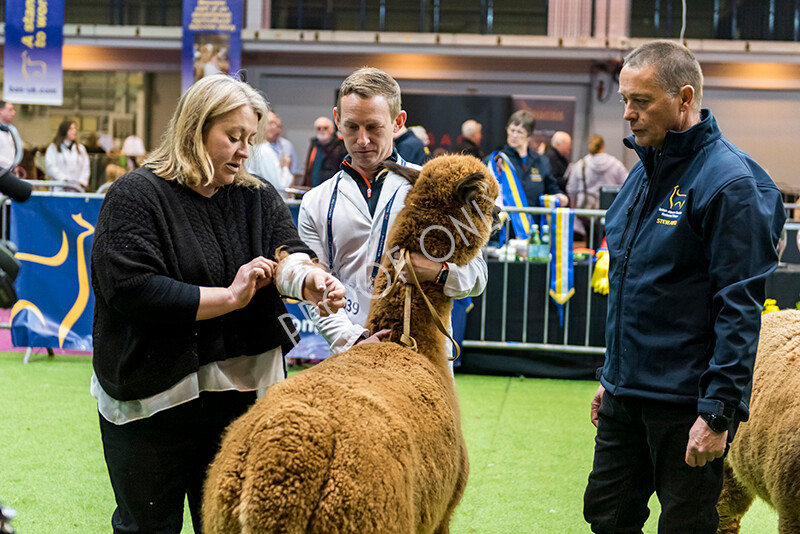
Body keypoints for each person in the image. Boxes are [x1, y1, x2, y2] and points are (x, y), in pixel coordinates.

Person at [90, 74, 345, 534]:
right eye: (233, 137)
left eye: (250, 138)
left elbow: (287, 252)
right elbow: (132, 289)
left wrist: (310, 281)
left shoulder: (258, 196)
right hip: (152, 400)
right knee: (147, 526)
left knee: (228, 526)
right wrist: (229, 297)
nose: (245, 150)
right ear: (195, 129)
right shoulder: (135, 194)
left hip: (237, 401)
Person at [583, 40, 785, 533]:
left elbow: (738, 308)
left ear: (685, 97)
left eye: (642, 101)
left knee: (687, 526)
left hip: (686, 406)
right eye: (624, 99)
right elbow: (638, 286)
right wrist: (614, 378)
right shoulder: (643, 170)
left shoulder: (731, 183)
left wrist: (718, 413)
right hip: (626, 397)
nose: (627, 114)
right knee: (606, 516)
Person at [298, 66, 488, 354]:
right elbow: (315, 291)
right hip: (350, 356)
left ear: (398, 122)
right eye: (351, 126)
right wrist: (354, 341)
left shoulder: (436, 186)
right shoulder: (315, 202)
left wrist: (438, 272)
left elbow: (477, 275)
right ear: (337, 120)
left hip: (422, 351)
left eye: (374, 127)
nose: (362, 140)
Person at [566, 134, 628, 239]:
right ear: (603, 146)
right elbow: (627, 184)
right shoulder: (615, 164)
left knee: (590, 241)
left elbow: (571, 189)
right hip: (610, 209)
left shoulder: (580, 164)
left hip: (586, 210)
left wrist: (574, 210)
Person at [45, 120, 90, 191]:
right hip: (59, 188)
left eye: (75, 128)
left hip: (77, 189)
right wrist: (65, 180)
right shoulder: (53, 148)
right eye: (71, 129)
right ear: (64, 130)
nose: (74, 131)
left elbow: (85, 167)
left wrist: (81, 183)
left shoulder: (81, 148)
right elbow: (50, 167)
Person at [302, 116, 346, 188]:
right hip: (313, 188)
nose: (322, 131)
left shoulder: (341, 146)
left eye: (325, 128)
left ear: (332, 129)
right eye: (319, 128)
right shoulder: (314, 145)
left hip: (331, 189)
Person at [265, 111, 300, 175]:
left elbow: (293, 172)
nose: (277, 129)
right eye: (270, 124)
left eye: (279, 127)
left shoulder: (287, 145)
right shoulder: (261, 147)